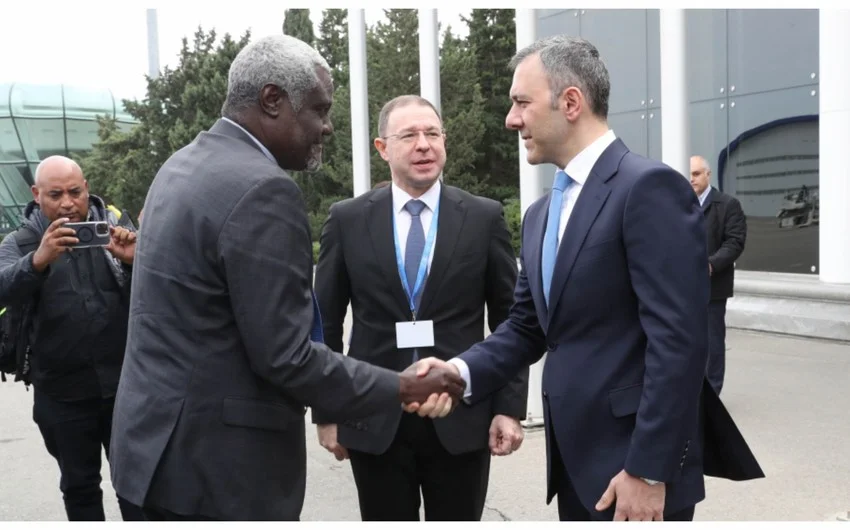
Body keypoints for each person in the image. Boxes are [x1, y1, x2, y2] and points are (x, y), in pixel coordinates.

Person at [107, 35, 464, 522]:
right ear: (273, 100)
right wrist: (400, 388)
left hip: (153, 458)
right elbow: (287, 356)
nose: (328, 127)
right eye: (319, 109)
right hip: (217, 479)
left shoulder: (181, 164)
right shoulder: (262, 190)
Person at [409, 35, 763, 521]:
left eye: (521, 103)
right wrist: (458, 372)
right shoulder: (539, 216)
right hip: (575, 466)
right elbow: (527, 327)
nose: (512, 119)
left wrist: (649, 470)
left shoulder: (649, 189)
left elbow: (679, 342)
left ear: (570, 102)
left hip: (634, 473)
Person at [313, 95, 528, 521]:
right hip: (373, 419)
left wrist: (508, 407)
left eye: (432, 133)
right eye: (409, 135)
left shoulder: (483, 218)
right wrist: (328, 411)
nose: (424, 145)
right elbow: (326, 322)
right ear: (382, 148)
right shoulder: (348, 220)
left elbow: (511, 320)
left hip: (461, 417)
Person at [0, 155, 142, 521]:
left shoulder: (115, 225)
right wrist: (37, 261)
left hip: (124, 389)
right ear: (36, 194)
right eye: (56, 194)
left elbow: (160, 289)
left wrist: (133, 260)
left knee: (137, 486)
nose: (67, 203)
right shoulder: (22, 240)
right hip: (60, 395)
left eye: (75, 192)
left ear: (87, 188)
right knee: (79, 488)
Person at [689, 155, 747, 395]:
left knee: (712, 344)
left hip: (713, 287)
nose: (691, 179)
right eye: (688, 174)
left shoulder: (728, 204)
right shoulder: (678, 204)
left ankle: (712, 395)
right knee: (687, 342)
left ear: (708, 174)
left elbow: (735, 242)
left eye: (696, 174)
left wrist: (711, 265)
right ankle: (692, 392)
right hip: (683, 287)